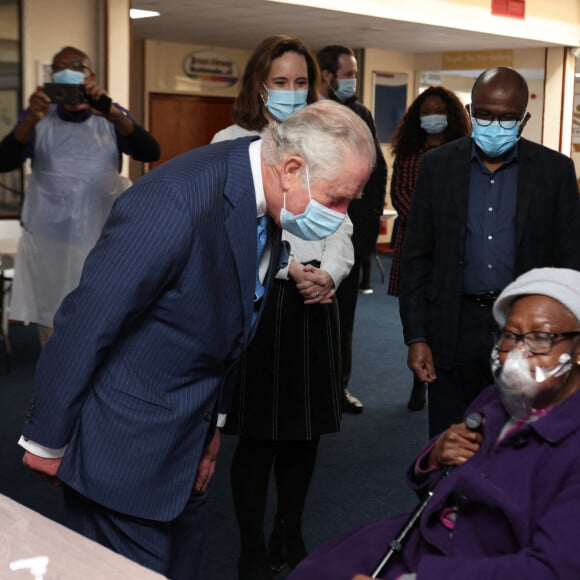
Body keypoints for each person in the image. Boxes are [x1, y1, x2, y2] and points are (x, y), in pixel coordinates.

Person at [17, 99, 376, 580]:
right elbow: (88, 320)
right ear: (293, 168)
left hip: (189, 438)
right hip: (124, 446)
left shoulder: (264, 190)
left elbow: (230, 324)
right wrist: (46, 441)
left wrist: (214, 427)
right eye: (336, 199)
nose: (340, 214)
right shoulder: (175, 200)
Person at [290, 267, 580, 579]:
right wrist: (435, 457)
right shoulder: (495, 400)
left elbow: (551, 569)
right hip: (426, 536)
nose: (515, 356)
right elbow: (430, 481)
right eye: (510, 336)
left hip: (480, 563)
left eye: (539, 338)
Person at [212, 35, 355, 580]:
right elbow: (232, 228)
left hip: (317, 303)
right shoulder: (231, 142)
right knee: (258, 438)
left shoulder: (328, 140)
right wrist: (286, 267)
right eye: (280, 82)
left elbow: (341, 221)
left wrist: (331, 275)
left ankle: (288, 533)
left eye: (301, 83)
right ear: (259, 85)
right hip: (260, 302)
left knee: (305, 435)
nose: (291, 93)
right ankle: (251, 548)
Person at [398, 66, 580, 438]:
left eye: (507, 117)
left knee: (521, 438)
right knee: (450, 437)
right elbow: (416, 257)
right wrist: (416, 336)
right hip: (454, 323)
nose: (494, 125)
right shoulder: (438, 166)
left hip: (526, 331)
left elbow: (570, 260)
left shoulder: (555, 171)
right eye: (484, 114)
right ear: (469, 112)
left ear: (524, 119)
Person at [0, 46, 160, 347]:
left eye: (76, 66)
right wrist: (30, 120)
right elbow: (4, 161)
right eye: (59, 67)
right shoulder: (38, 117)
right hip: (51, 240)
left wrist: (111, 112)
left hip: (101, 237)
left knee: (102, 314)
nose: (67, 71)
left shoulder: (110, 114)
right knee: (53, 316)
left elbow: (149, 151)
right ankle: (54, 386)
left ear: (91, 76)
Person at [387, 86, 470, 412]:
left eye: (438, 110)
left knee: (447, 316)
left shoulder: (462, 152)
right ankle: (419, 379)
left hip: (454, 250)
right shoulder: (409, 154)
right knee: (418, 316)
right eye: (426, 111)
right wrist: (434, 223)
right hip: (415, 248)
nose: (432, 117)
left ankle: (439, 376)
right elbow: (401, 196)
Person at [317, 44, 388, 414]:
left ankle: (337, 388)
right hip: (309, 235)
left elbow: (376, 170)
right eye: (348, 74)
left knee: (343, 320)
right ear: (327, 76)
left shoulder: (359, 113)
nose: (353, 81)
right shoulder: (308, 114)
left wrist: (365, 232)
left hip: (349, 235)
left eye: (355, 74)